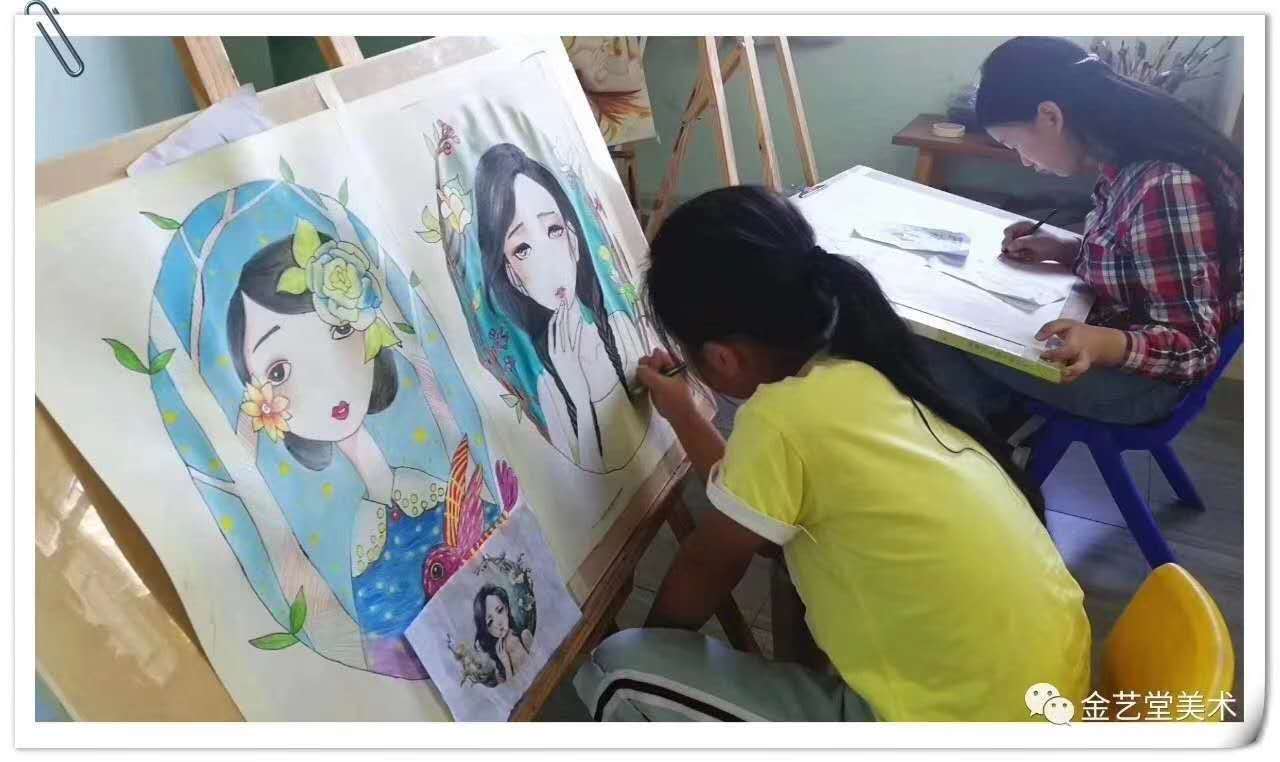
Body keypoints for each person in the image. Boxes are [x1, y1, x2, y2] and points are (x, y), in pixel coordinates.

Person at [573, 186, 1090, 722]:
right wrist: (684, 413)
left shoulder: (783, 417)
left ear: (722, 358)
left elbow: (710, 561)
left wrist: (661, 656)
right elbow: (756, 510)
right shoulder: (868, 368)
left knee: (618, 672)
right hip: (1040, 698)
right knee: (788, 562)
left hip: (949, 726)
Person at [227, 224, 502, 678]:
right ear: (262, 405)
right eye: (278, 371)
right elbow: (391, 652)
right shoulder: (363, 544)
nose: (323, 379)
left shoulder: (426, 489)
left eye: (336, 329)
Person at [926, 36, 1243, 426]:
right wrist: (1066, 249)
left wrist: (1102, 343)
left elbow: (1195, 350)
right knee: (951, 335)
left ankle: (983, 439)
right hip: (1112, 331)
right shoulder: (1124, 157)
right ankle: (994, 424)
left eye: (1015, 144)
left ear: (1050, 116)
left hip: (1142, 385)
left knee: (939, 337)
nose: (1024, 161)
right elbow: (1137, 261)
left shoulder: (1165, 185)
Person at [435, 133, 647, 473]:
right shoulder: (547, 387)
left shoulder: (622, 329)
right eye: (523, 248)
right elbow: (591, 476)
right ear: (512, 275)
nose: (548, 261)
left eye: (553, 230)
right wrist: (577, 393)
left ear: (574, 241)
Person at [474, 584, 534, 684]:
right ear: (486, 629)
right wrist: (505, 662)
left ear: (506, 608)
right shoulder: (497, 659)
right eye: (490, 622)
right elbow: (513, 687)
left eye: (500, 610)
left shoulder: (524, 636)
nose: (498, 623)